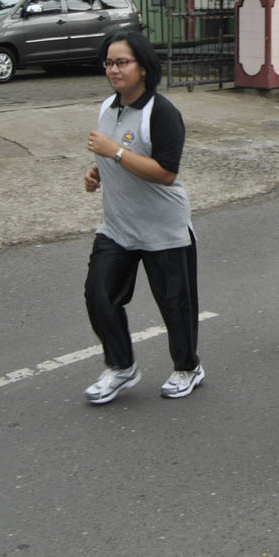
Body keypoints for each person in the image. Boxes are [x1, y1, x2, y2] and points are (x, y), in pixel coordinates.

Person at [82, 30, 205, 404]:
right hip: (118, 227)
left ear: (143, 68)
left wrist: (115, 154)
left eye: (122, 62)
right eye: (109, 63)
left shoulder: (162, 112)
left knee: (175, 305)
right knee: (98, 295)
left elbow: (166, 172)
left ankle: (187, 367)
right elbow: (112, 152)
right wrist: (98, 171)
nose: (114, 70)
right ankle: (121, 367)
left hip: (163, 227)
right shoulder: (108, 107)